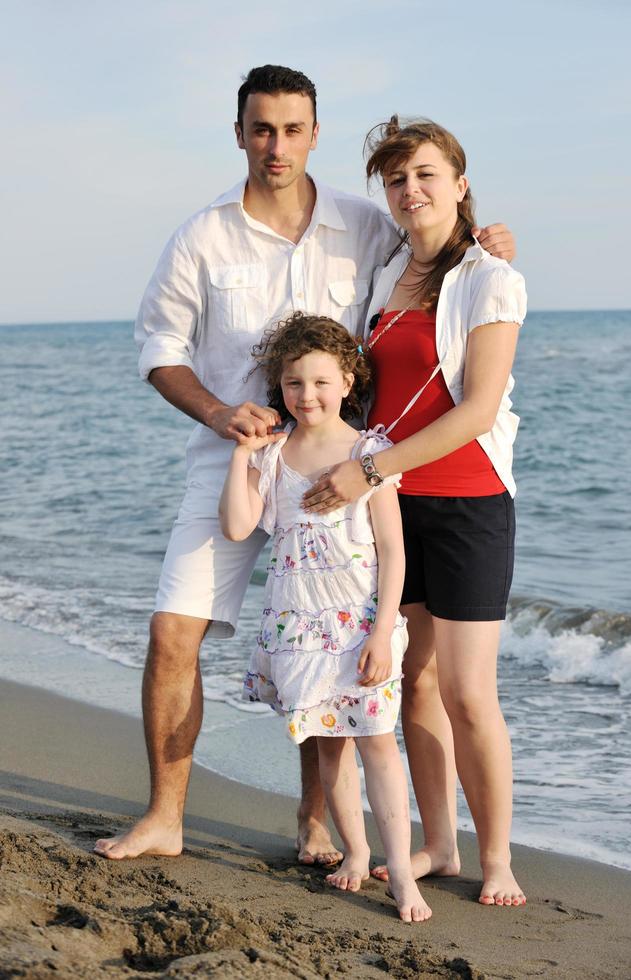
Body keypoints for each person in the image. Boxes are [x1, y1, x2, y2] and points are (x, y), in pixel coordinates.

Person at [93, 64, 515, 865]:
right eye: (261, 129)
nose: (276, 145)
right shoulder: (202, 235)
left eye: (292, 129)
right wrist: (219, 412)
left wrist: (492, 237)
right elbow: (158, 349)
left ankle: (317, 824)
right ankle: (164, 817)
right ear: (240, 133)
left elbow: (438, 255)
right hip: (235, 462)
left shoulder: (365, 224)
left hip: (337, 476)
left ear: (314, 133)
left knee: (326, 642)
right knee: (172, 631)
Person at [301, 117, 527, 907]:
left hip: (466, 503)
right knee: (413, 684)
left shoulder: (490, 277)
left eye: (428, 175)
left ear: (459, 185)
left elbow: (476, 409)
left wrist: (367, 468)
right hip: (394, 507)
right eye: (397, 179)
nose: (412, 190)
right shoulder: (385, 272)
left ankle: (497, 857)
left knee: (468, 692)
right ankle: (440, 844)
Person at [219, 312, 431, 922]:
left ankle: (403, 877)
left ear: (346, 380)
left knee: (377, 746)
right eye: (292, 383)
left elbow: (393, 552)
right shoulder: (277, 455)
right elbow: (237, 525)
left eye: (318, 381)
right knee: (330, 749)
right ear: (278, 388)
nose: (305, 395)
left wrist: (385, 633)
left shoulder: (370, 454)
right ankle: (356, 855)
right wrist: (244, 457)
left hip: (360, 624)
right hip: (298, 624)